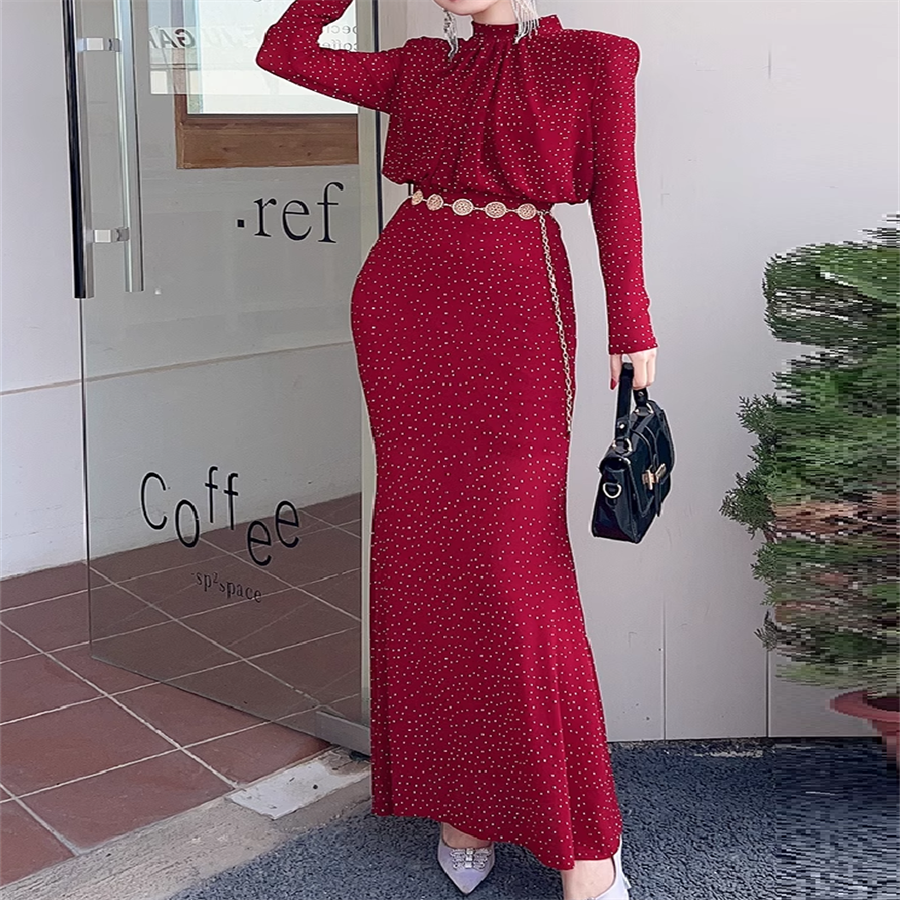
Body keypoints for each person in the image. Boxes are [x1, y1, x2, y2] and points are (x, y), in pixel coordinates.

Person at [257, 1, 658, 897]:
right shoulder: (418, 66)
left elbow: (617, 195)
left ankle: (585, 841)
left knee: (516, 567)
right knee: (428, 561)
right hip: (405, 307)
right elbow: (283, 51)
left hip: (517, 313)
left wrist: (630, 324)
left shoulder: (593, 62)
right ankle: (462, 803)